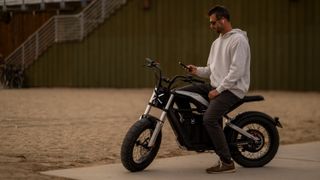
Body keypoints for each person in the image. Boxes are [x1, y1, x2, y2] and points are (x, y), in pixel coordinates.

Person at [179, 5, 251, 173]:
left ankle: (227, 162)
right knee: (181, 93)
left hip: (232, 89)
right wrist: (196, 70)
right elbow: (211, 69)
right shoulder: (216, 42)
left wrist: (218, 90)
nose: (210, 26)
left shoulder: (238, 40)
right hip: (215, 85)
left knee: (209, 119)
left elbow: (236, 72)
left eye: (213, 23)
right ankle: (195, 135)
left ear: (223, 20)